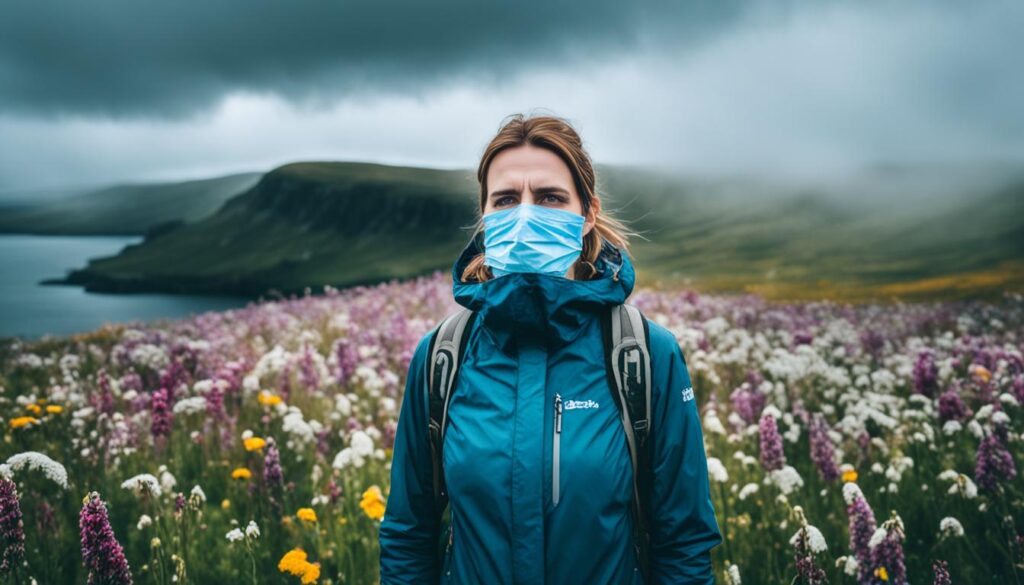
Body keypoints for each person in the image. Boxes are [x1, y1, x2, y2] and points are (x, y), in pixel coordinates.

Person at [378, 113, 721, 584]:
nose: (524, 214)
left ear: (587, 215)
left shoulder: (645, 355)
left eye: (549, 198)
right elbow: (407, 535)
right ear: (484, 219)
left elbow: (683, 543)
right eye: (504, 200)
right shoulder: (441, 357)